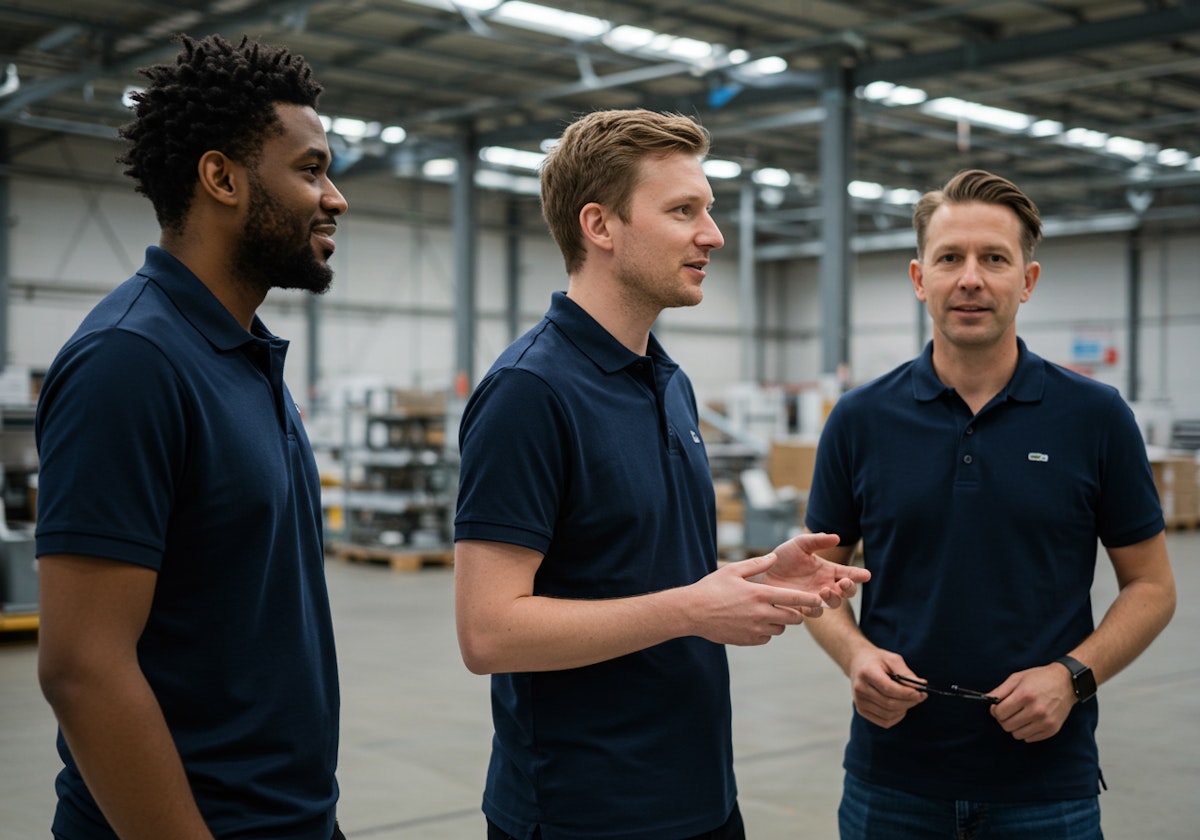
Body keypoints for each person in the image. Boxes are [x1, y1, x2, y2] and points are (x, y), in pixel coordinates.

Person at [453, 107, 870, 840]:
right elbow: (489, 631)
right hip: (586, 811)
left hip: (700, 794)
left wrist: (754, 578)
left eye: (707, 210)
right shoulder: (530, 391)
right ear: (600, 226)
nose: (712, 234)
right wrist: (690, 610)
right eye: (684, 211)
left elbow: (637, 566)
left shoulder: (666, 382)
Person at [35, 34, 348, 840]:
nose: (336, 197)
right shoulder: (131, 361)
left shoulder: (241, 356)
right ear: (222, 178)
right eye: (311, 169)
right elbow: (83, 669)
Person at [804, 168, 1177, 838]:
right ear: (921, 278)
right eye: (950, 258)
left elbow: (1152, 586)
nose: (970, 278)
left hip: (1045, 787)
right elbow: (818, 580)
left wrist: (1073, 678)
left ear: (1027, 281)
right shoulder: (860, 420)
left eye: (994, 259)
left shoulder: (1094, 417)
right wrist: (855, 655)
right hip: (891, 782)